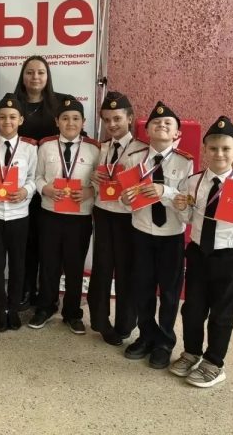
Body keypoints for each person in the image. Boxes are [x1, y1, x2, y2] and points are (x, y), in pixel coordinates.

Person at [170, 116, 233, 387]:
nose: (219, 154)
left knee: (222, 314)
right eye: (213, 148)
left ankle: (214, 362)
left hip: (228, 258)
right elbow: (189, 218)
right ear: (205, 150)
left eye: (226, 148)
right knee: (192, 309)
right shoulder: (193, 182)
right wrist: (181, 207)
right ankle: (191, 353)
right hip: (198, 254)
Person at [121, 101, 193, 370]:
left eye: (168, 123)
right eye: (156, 123)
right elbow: (124, 199)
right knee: (143, 288)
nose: (161, 125)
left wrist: (166, 192)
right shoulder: (134, 158)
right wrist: (125, 199)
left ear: (177, 133)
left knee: (170, 292)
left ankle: (164, 342)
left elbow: (187, 202)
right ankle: (146, 336)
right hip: (141, 233)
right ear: (146, 130)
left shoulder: (185, 162)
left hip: (171, 236)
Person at [28, 97, 99, 334]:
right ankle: (45, 307)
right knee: (48, 263)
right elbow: (37, 176)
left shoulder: (94, 149)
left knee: (75, 266)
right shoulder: (46, 146)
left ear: (83, 122)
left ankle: (72, 312)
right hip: (50, 214)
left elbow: (101, 181)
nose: (70, 123)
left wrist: (90, 191)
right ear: (56, 121)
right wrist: (45, 189)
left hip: (79, 217)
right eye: (65, 118)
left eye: (76, 118)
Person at [0, 93, 37, 331]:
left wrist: (25, 191)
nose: (7, 121)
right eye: (2, 117)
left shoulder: (30, 148)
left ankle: (14, 308)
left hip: (18, 215)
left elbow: (33, 178)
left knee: (18, 265)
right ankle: (1, 309)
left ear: (21, 119)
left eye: (12, 117)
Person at [89, 91, 145, 346]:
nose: (112, 124)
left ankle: (125, 323)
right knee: (102, 268)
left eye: (117, 119)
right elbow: (95, 181)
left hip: (128, 218)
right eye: (107, 119)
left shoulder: (142, 150)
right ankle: (101, 322)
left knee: (126, 270)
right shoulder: (101, 148)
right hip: (103, 213)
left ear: (129, 118)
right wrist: (94, 177)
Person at [12, 55, 67, 309]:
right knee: (26, 242)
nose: (35, 77)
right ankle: (25, 289)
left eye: (41, 72)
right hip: (20, 187)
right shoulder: (13, 105)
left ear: (48, 76)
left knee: (48, 244)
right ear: (23, 76)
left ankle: (47, 294)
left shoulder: (60, 105)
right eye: (30, 72)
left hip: (51, 187)